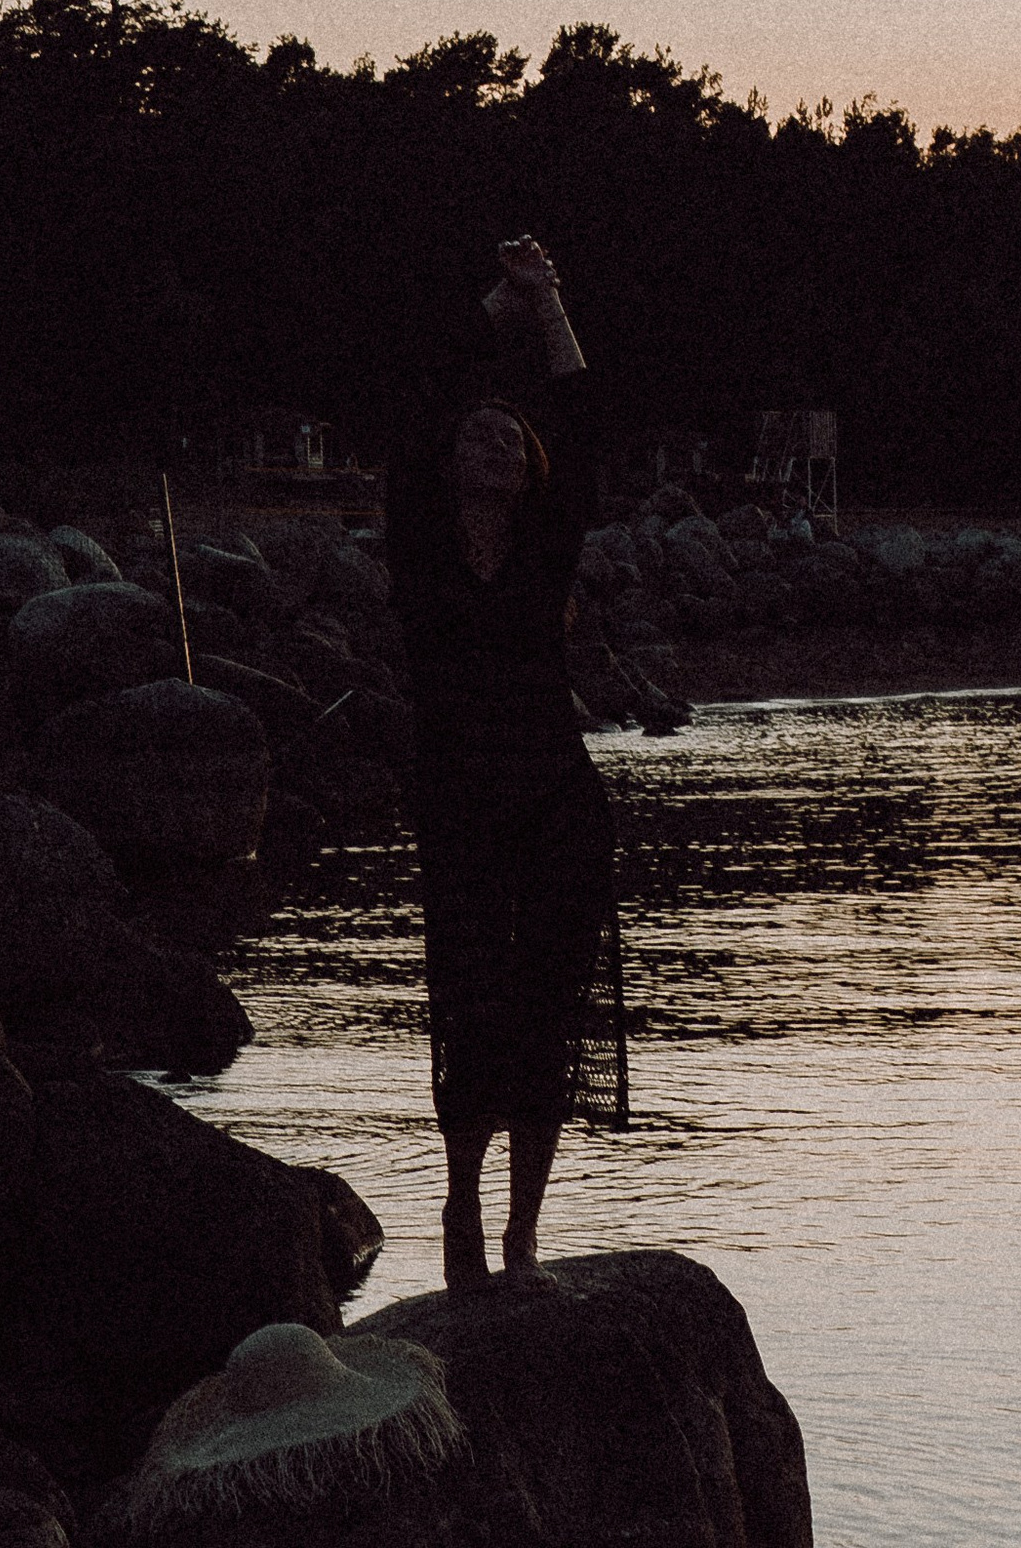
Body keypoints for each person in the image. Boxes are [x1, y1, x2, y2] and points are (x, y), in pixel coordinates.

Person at [383, 234, 617, 1292]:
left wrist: (552, 300)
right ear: (449, 459)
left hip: (556, 801)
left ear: (531, 471)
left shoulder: (547, 543)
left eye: (509, 436)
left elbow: (589, 416)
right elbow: (420, 385)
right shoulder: (420, 538)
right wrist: (498, 300)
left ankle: (523, 1233)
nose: (492, 439)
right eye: (475, 432)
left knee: (548, 1015)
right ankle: (462, 1204)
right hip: (459, 803)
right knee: (470, 1010)